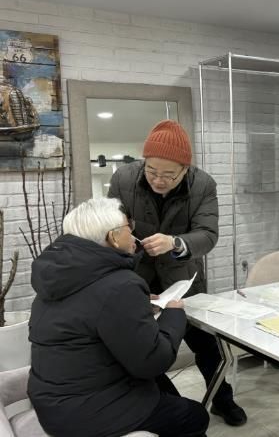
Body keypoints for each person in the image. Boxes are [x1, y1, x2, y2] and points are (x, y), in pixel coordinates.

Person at [28, 197, 209, 437]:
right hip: (88, 412)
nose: (134, 235)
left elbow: (89, 314)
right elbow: (154, 361)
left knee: (162, 387)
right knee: (195, 416)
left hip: (53, 401)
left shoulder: (59, 276)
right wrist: (174, 314)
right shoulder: (120, 285)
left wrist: (136, 307)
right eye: (128, 228)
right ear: (113, 237)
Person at [107, 119, 247, 426]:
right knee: (142, 349)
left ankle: (222, 400)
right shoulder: (123, 178)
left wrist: (175, 243)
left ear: (185, 169)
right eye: (152, 171)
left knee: (206, 346)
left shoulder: (203, 184)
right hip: (137, 278)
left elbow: (208, 234)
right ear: (144, 162)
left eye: (169, 175)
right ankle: (164, 405)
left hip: (182, 280)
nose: (158, 180)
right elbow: (110, 223)